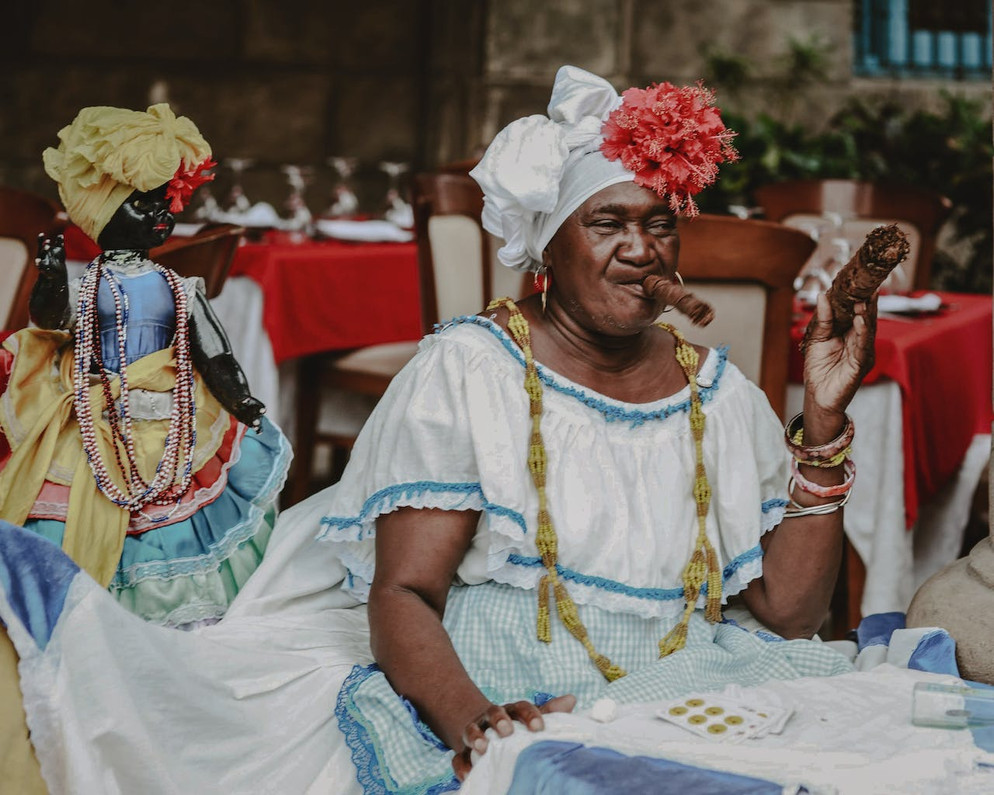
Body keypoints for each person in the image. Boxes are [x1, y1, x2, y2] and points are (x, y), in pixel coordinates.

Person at [0, 67, 873, 794]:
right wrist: (478, 726)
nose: (642, 249)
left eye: (658, 224)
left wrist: (824, 422)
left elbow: (790, 610)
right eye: (607, 223)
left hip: (681, 684)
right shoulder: (472, 371)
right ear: (545, 251)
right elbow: (405, 593)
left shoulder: (717, 394)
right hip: (495, 682)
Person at [0, 105, 290, 790]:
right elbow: (51, 322)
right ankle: (88, 645)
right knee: (73, 521)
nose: (161, 218)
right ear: (102, 211)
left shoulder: (176, 285)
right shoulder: (88, 283)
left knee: (178, 528)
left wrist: (241, 397)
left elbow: (213, 349)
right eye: (144, 206)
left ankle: (165, 668)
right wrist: (46, 273)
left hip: (167, 423)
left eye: (167, 205)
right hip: (91, 423)